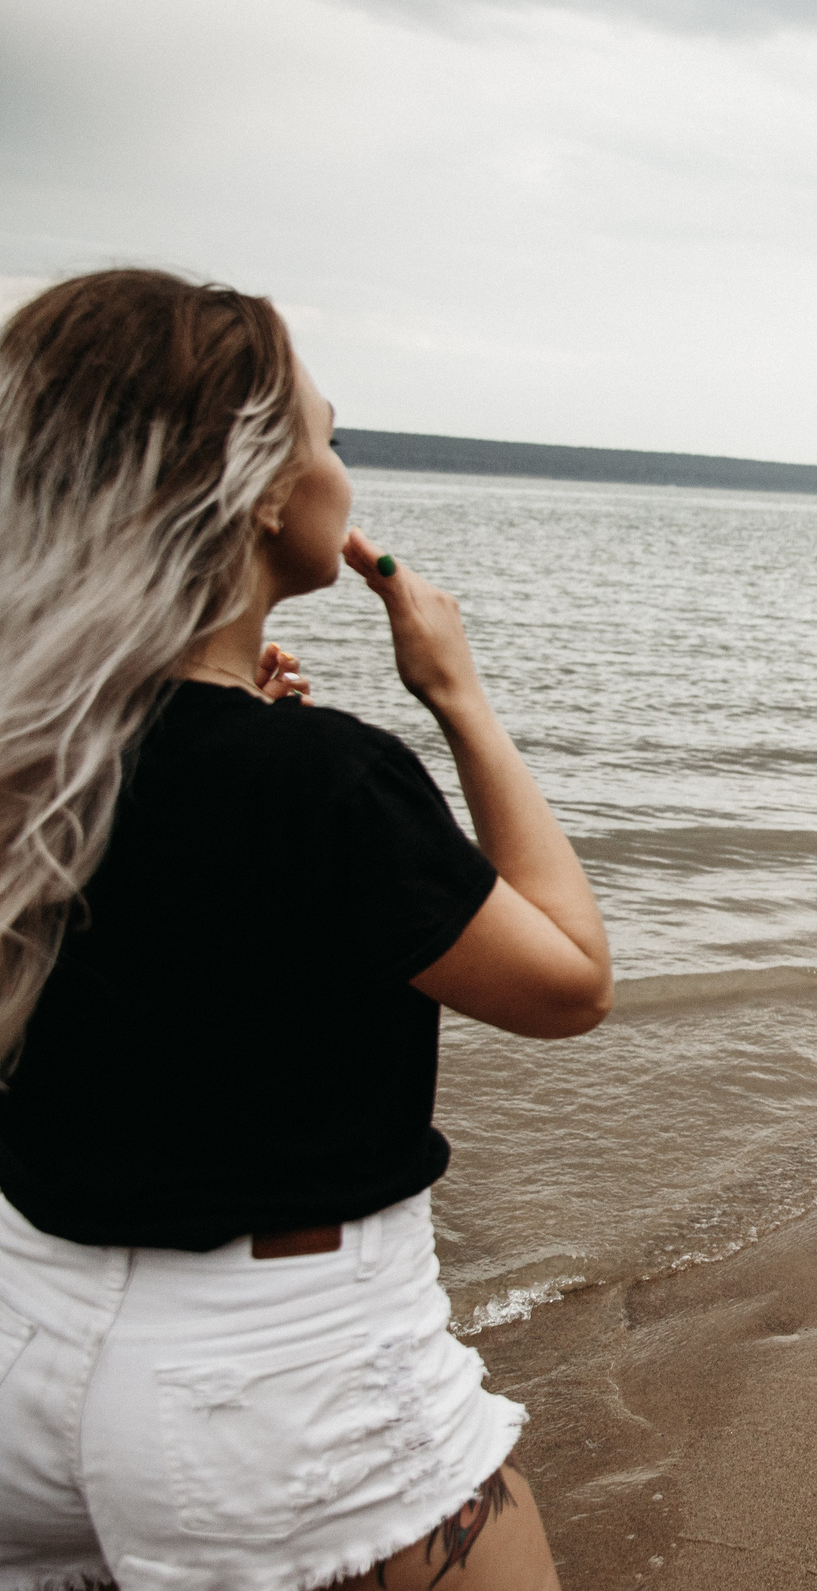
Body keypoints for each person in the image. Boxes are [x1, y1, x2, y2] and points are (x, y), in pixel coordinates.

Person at [0, 270, 613, 1590]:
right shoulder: (322, 778)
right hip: (276, 1373)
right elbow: (568, 982)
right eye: (328, 435)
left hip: (27, 1334)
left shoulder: (36, 755)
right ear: (266, 488)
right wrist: (458, 697)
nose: (344, 467)